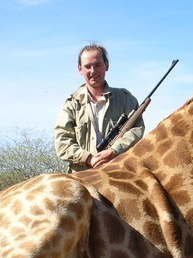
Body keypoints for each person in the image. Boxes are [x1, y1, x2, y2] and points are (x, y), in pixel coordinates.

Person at [54, 44, 145, 172]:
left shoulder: (125, 98)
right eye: (87, 67)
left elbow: (136, 129)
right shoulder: (71, 104)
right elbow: (62, 143)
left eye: (97, 65)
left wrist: (114, 150)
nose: (93, 71)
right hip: (81, 175)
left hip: (118, 170)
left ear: (106, 65)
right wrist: (89, 158)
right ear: (80, 69)